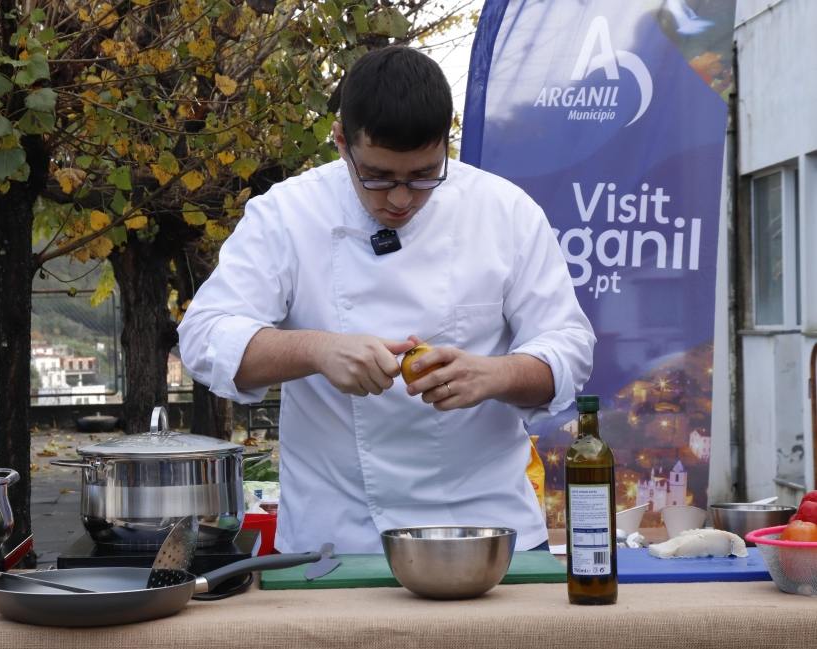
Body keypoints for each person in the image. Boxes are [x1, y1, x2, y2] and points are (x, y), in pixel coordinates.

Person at [177, 45, 595, 553]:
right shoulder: (287, 214)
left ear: (446, 144)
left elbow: (570, 347)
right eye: (376, 177)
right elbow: (204, 337)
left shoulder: (505, 212)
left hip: (486, 528)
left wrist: (496, 375)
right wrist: (317, 350)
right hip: (336, 538)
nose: (400, 199)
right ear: (340, 142)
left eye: (423, 176)